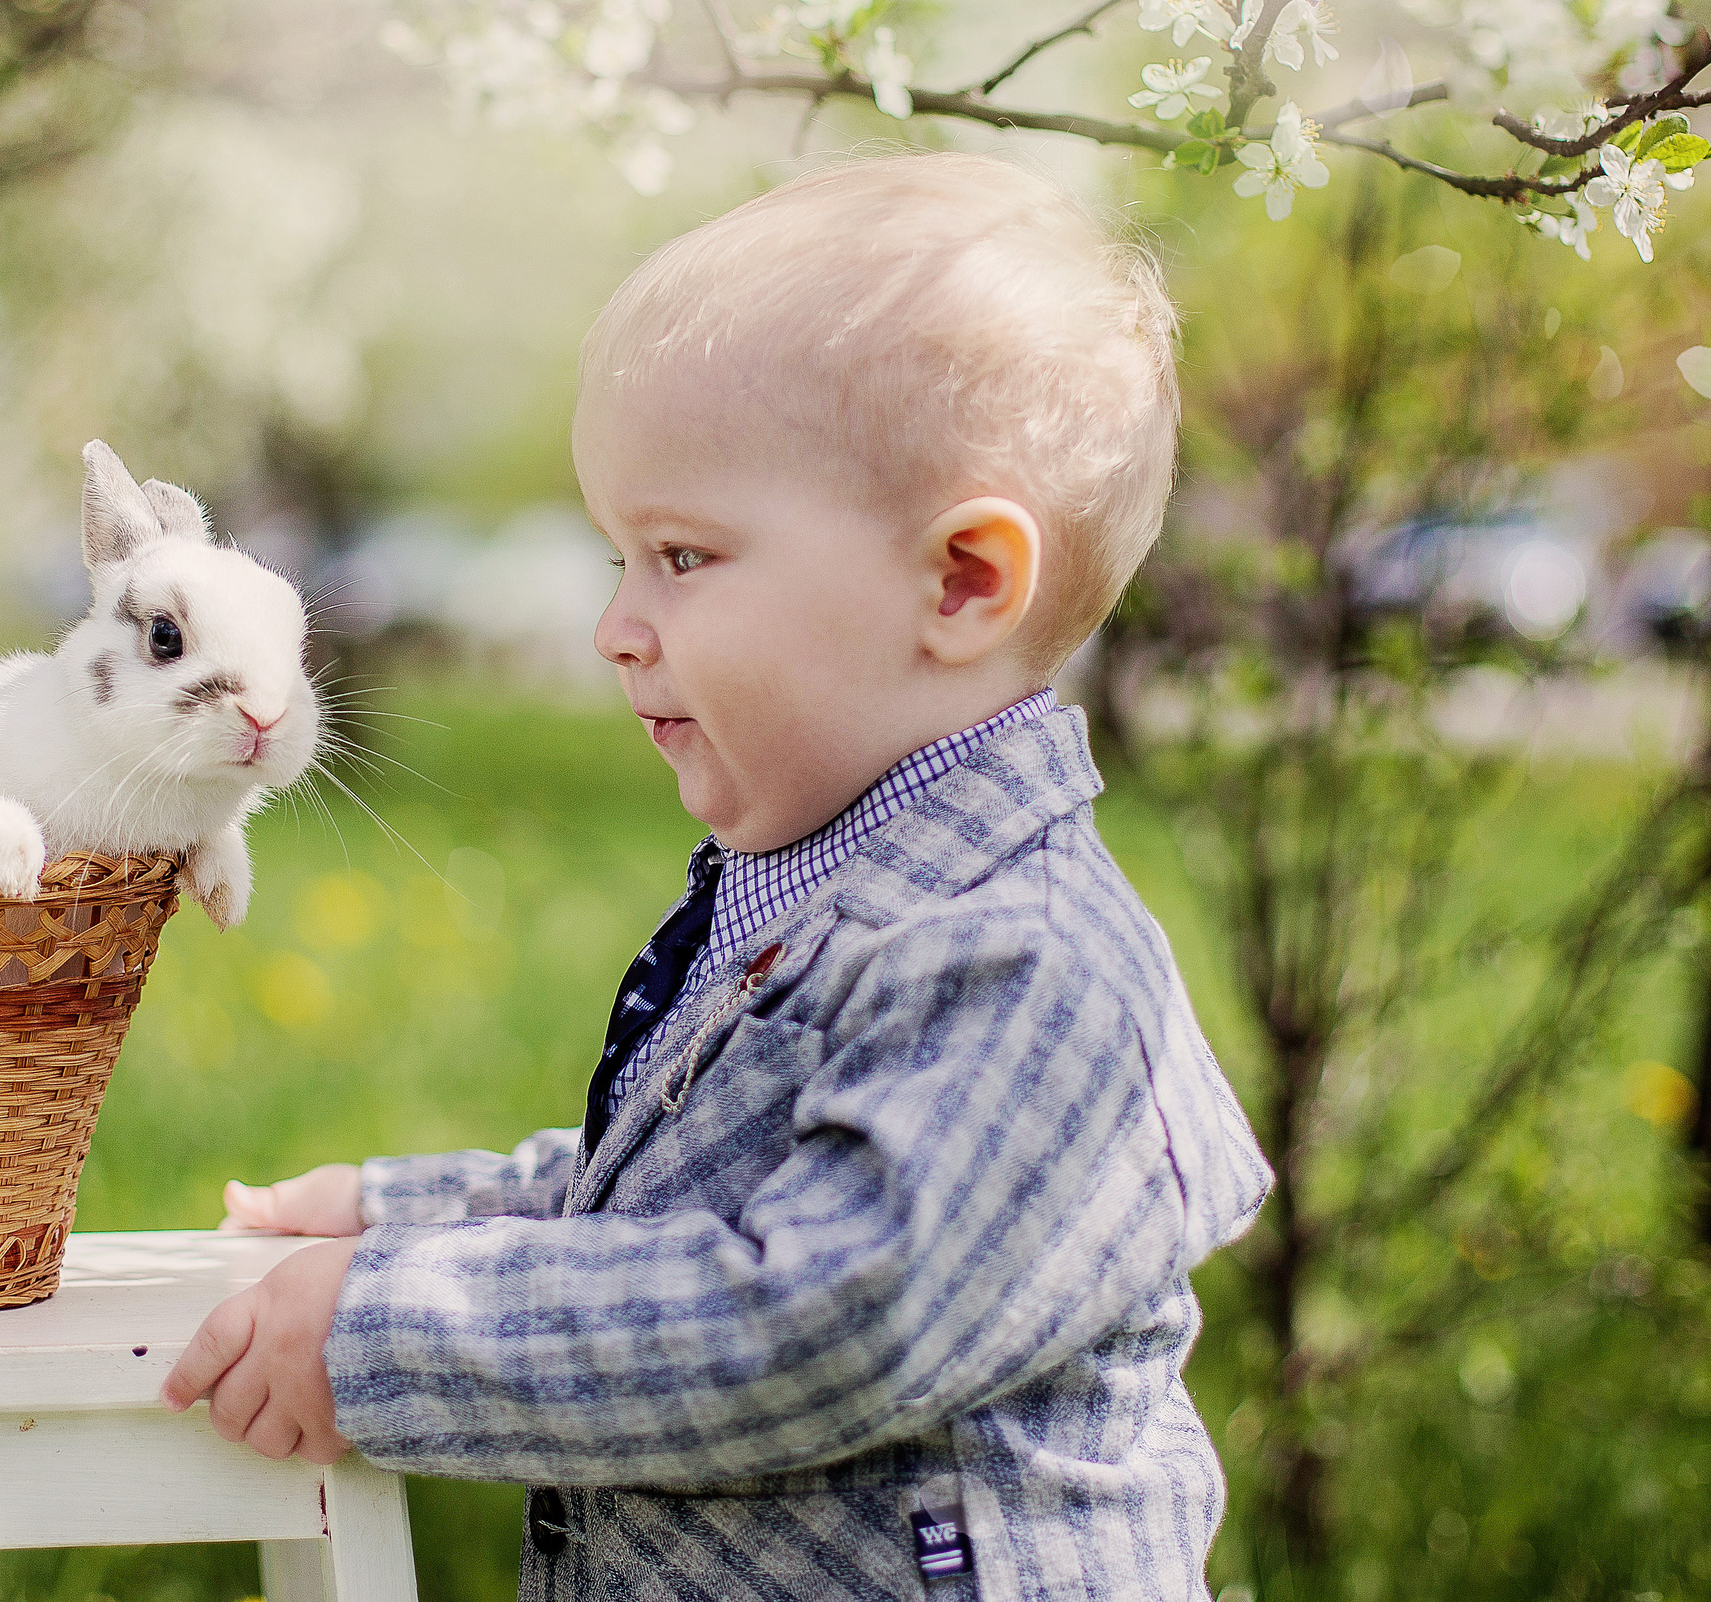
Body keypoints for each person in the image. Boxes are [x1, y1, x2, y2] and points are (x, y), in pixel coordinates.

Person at [160, 150, 1273, 1601]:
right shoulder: (824, 877)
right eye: (619, 557)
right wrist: (412, 1217)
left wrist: (389, 1332)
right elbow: (690, 1200)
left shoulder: (1034, 957)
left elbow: (822, 1315)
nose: (618, 626)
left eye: (681, 556)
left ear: (960, 584)